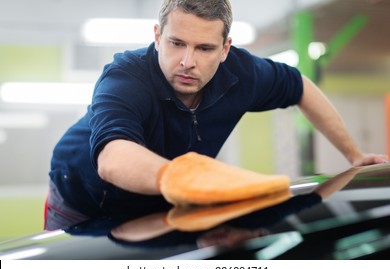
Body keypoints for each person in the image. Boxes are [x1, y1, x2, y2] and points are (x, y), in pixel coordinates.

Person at [44, 0, 388, 230]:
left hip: (158, 201)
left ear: (225, 49)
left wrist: (354, 155)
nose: (187, 61)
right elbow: (113, 156)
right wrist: (189, 181)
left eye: (204, 48)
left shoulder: (243, 72)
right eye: (176, 43)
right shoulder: (125, 77)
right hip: (82, 199)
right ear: (157, 36)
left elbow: (299, 85)